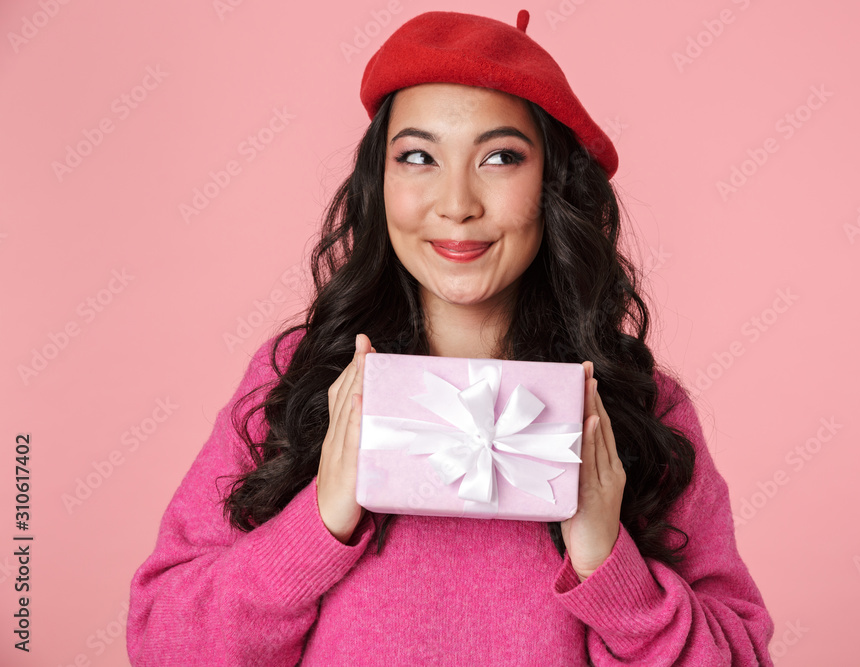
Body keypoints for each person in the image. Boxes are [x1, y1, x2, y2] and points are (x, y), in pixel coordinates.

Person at [127, 9, 774, 666]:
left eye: (499, 157)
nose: (456, 202)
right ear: (379, 184)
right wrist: (319, 519)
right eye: (418, 156)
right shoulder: (299, 381)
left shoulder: (636, 406)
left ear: (552, 183)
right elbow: (162, 642)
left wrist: (608, 562)